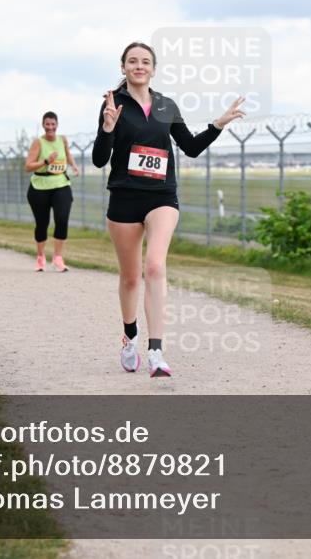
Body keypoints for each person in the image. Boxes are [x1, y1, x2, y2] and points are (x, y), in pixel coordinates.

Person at [93, 41, 245, 378]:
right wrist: (107, 128)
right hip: (124, 197)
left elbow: (189, 147)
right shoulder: (113, 104)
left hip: (161, 195)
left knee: (155, 266)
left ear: (153, 68)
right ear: (123, 68)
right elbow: (99, 159)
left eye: (145, 61)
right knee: (131, 277)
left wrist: (217, 124)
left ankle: (156, 351)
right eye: (132, 61)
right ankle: (130, 337)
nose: (139, 66)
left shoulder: (166, 106)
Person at [25, 111, 78, 272]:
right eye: (47, 124)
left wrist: (73, 165)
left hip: (61, 184)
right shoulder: (38, 142)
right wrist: (47, 161)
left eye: (53, 124)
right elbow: (28, 166)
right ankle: (40, 257)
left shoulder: (62, 140)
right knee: (42, 224)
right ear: (43, 125)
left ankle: (58, 257)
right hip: (40, 187)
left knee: (62, 219)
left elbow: (67, 155)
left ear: (57, 125)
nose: (50, 127)